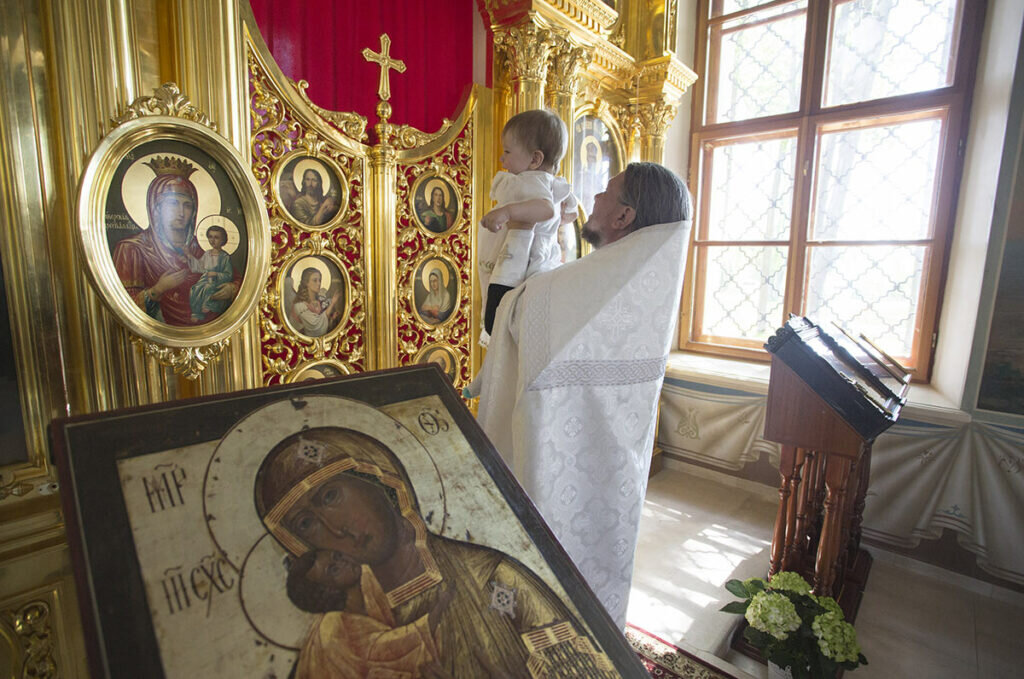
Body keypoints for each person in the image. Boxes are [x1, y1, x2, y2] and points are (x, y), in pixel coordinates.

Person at [474, 162, 692, 629]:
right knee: (596, 568)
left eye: (607, 193)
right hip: (612, 472)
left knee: (545, 566)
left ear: (623, 217)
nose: (594, 198)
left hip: (558, 467)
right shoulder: (637, 282)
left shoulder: (585, 284)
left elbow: (509, 316)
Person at [254, 427, 618, 677]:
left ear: (379, 478)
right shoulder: (333, 641)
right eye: (306, 524)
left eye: (330, 496)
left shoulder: (493, 580)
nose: (336, 531)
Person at [478, 109, 578, 339]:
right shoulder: (552, 182)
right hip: (537, 255)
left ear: (535, 159)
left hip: (523, 261)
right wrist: (556, 223)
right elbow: (569, 213)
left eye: (507, 151)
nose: (502, 158)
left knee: (501, 317)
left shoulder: (533, 180)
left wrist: (507, 212)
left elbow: (546, 209)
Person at [285, 548, 452, 679]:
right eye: (334, 569)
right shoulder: (332, 626)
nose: (343, 562)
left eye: (337, 556)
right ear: (325, 590)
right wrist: (440, 607)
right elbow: (389, 649)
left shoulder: (367, 584)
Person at [113, 156, 239, 325]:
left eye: (187, 205)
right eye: (172, 203)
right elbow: (120, 307)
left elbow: (237, 279)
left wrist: (232, 289)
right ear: (156, 208)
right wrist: (158, 289)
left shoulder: (204, 247)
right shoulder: (131, 249)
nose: (181, 212)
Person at [186, 224, 235, 322]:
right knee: (194, 289)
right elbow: (200, 266)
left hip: (217, 281)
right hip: (205, 279)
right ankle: (196, 312)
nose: (212, 240)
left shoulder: (224, 257)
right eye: (210, 237)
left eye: (216, 237)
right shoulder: (207, 254)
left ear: (222, 240)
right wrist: (189, 256)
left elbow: (228, 274)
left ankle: (208, 305)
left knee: (208, 288)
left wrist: (216, 274)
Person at [292, 267, 342, 337]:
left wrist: (332, 319)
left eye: (320, 280)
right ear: (306, 283)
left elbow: (326, 327)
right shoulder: (299, 306)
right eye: (315, 280)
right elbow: (316, 325)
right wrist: (333, 303)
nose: (319, 283)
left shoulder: (322, 302)